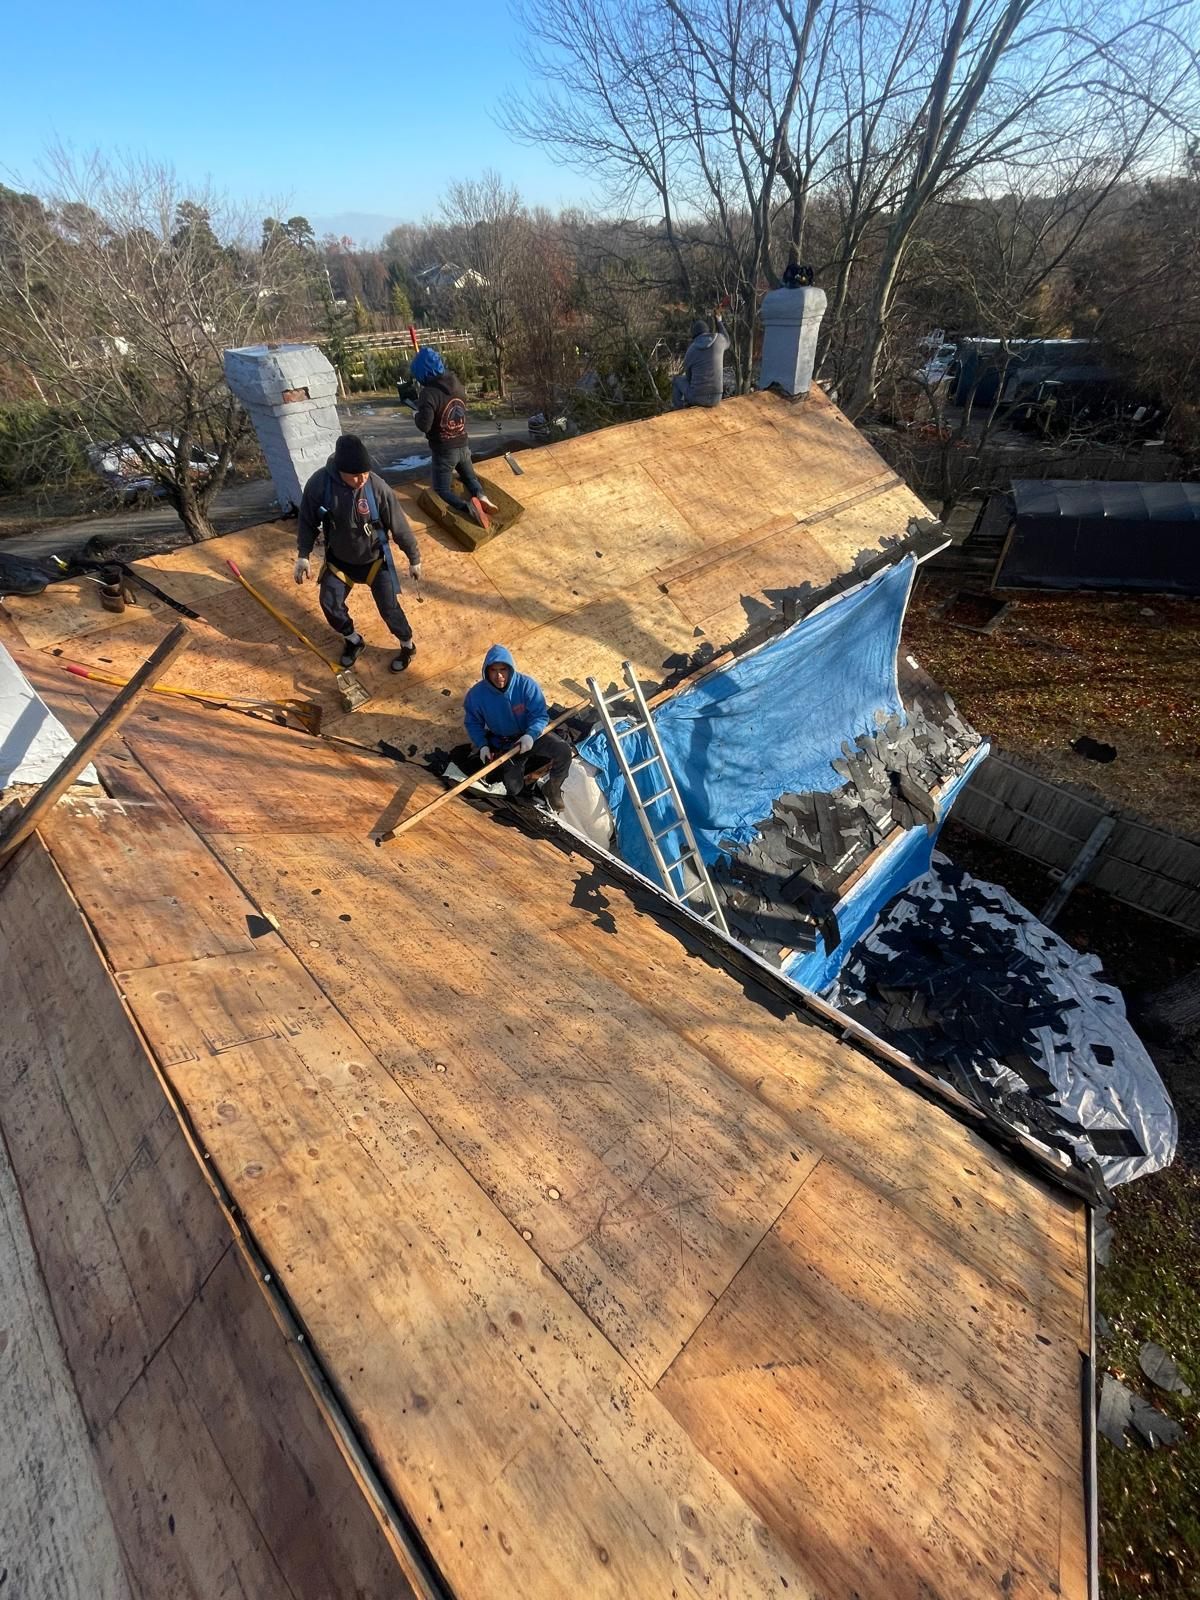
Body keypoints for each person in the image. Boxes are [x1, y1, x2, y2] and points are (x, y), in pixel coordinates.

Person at [294, 434, 421, 673]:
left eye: (365, 472)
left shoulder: (377, 487)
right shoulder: (320, 485)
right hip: (340, 561)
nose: (361, 478)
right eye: (355, 474)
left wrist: (414, 558)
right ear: (340, 471)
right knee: (329, 603)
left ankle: (407, 645)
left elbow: (399, 526)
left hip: (375, 560)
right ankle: (353, 640)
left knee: (389, 608)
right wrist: (303, 554)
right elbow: (307, 521)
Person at [464, 645, 572, 811]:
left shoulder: (526, 685)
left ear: (510, 669)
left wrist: (531, 734)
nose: (499, 676)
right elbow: (472, 722)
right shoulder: (477, 695)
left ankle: (553, 787)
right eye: (494, 670)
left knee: (563, 751)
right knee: (514, 789)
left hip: (532, 736)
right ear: (487, 671)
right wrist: (482, 744)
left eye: (503, 670)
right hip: (507, 744)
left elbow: (540, 715)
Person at [410, 347, 498, 528]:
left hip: (444, 450)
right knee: (470, 478)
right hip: (463, 444)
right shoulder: (457, 384)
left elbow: (424, 425)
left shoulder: (428, 394)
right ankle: (482, 496)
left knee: (442, 489)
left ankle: (468, 507)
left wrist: (416, 415)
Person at [671, 303, 731, 409]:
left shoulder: (692, 349)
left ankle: (678, 410)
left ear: (694, 336)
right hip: (717, 397)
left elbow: (689, 378)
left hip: (698, 398)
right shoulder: (719, 341)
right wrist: (719, 321)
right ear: (707, 331)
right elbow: (727, 339)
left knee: (676, 380)